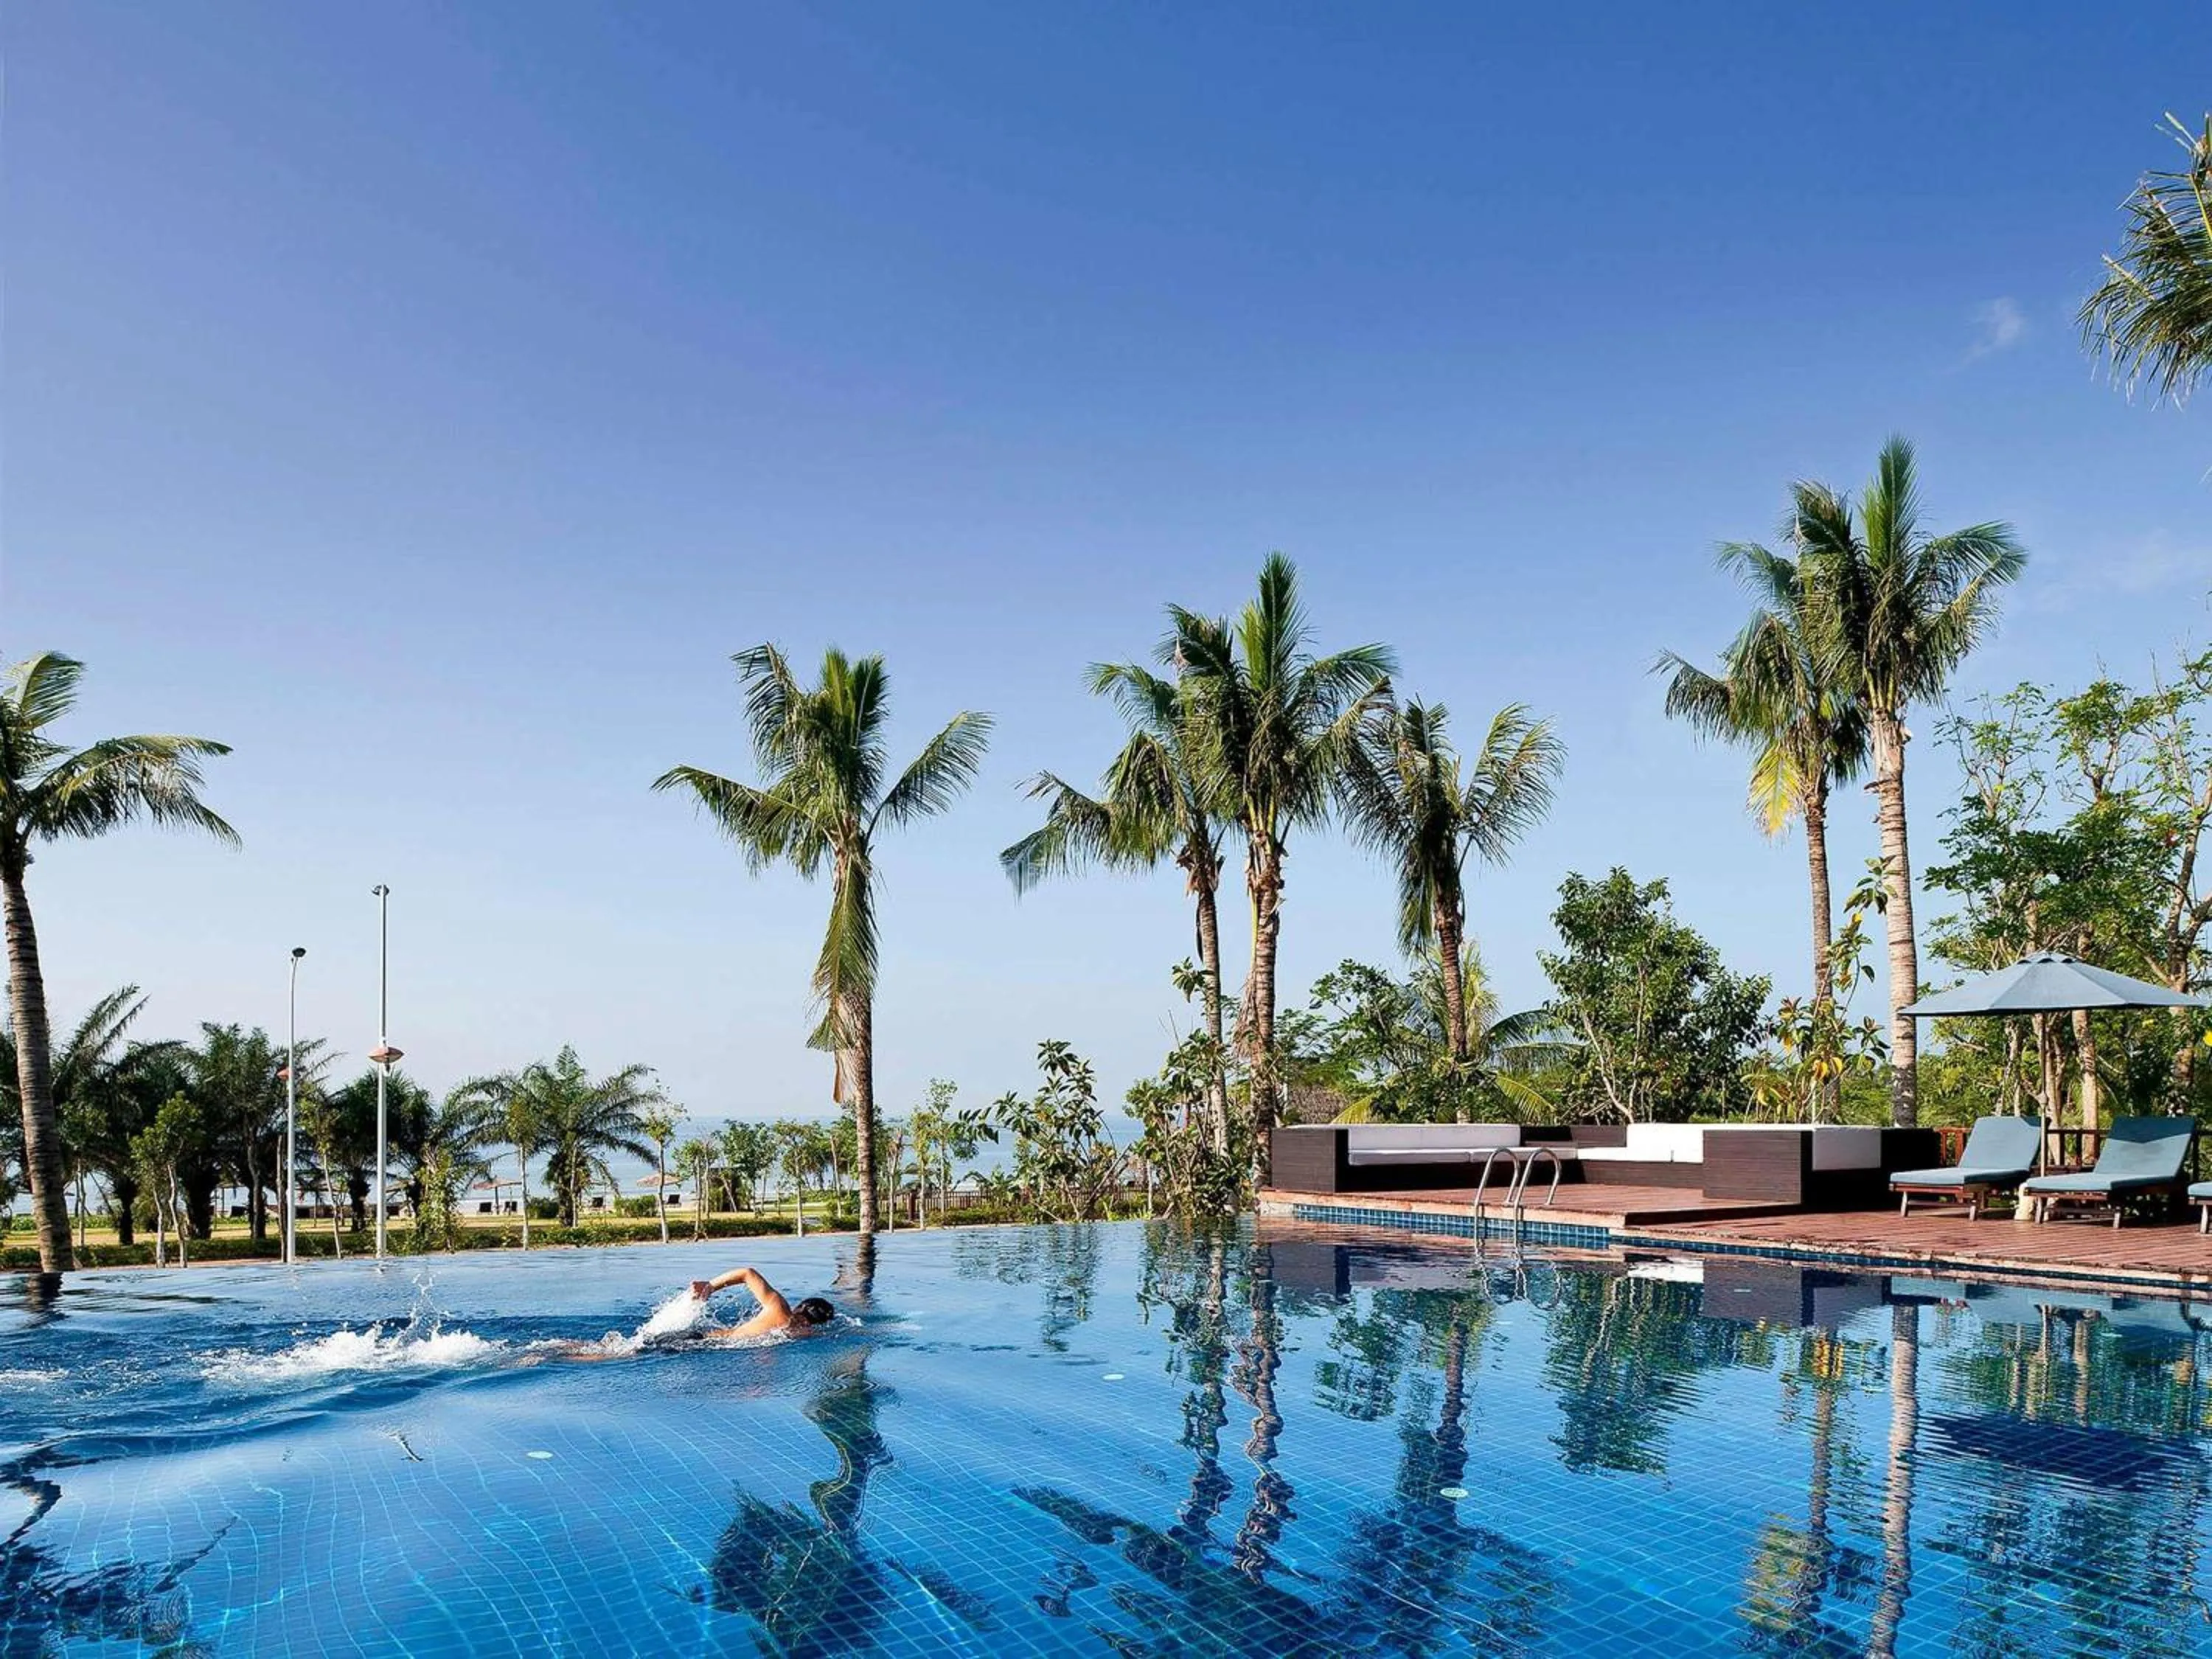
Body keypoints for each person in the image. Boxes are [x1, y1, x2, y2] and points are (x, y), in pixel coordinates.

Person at [689, 1265, 836, 1340]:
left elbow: (747, 1273)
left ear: (799, 1308)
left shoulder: (779, 1308)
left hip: (703, 1339)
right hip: (706, 1343)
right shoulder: (804, 1334)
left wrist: (710, 1286)